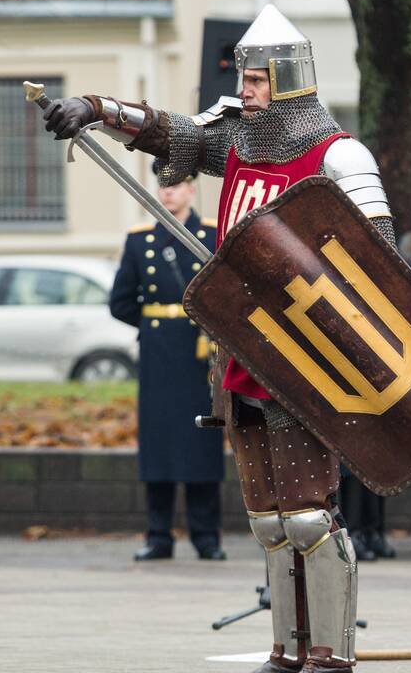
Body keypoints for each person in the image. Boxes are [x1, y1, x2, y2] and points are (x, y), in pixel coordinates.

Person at [42, 4, 394, 673]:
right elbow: (171, 132)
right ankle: (287, 648)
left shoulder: (339, 155)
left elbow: (379, 263)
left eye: (256, 80)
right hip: (241, 351)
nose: (246, 89)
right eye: (245, 78)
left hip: (305, 354)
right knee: (270, 519)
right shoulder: (237, 142)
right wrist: (93, 108)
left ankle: (330, 653)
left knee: (311, 517)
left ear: (288, 80)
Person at [109, 162, 223, 562]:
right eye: (163, 186)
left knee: (201, 443)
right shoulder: (140, 241)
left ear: (192, 190)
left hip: (200, 351)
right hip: (160, 354)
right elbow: (120, 302)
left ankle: (206, 536)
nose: (168, 192)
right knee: (158, 443)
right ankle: (158, 535)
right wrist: (152, 324)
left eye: (176, 185)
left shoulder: (211, 235)